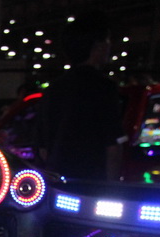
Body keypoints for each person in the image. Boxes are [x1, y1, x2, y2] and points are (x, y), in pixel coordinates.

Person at [38, 11, 126, 181]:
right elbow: (113, 146)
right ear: (97, 46)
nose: (109, 46)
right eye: (107, 40)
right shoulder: (104, 87)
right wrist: (112, 186)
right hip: (91, 182)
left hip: (58, 180)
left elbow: (43, 148)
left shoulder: (53, 89)